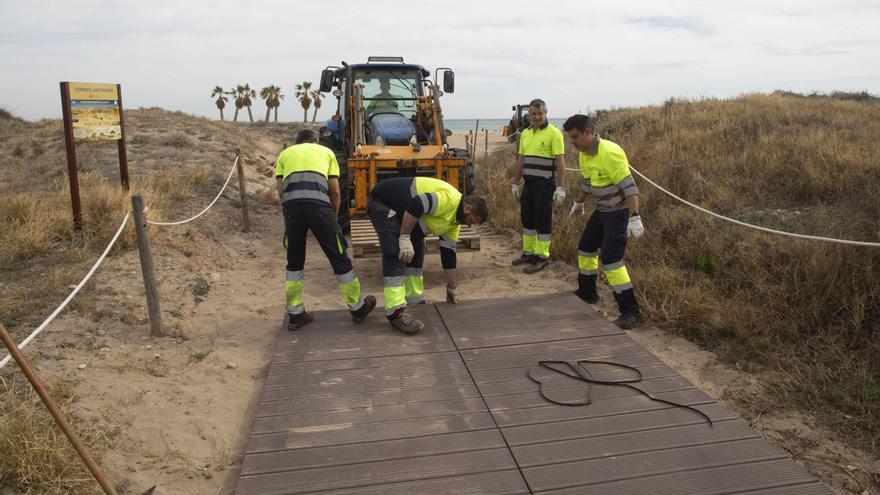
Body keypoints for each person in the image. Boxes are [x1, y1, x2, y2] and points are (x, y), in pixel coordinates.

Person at [276, 129, 376, 330]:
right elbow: (336, 191)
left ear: (297, 142)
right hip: (320, 208)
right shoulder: (326, 152)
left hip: (292, 210)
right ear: (315, 141)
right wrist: (333, 216)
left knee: (294, 261)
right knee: (338, 255)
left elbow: (280, 191)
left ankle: (295, 314)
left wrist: (291, 212)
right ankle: (357, 308)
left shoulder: (284, 154)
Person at [367, 177, 489, 334]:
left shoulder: (454, 223)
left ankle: (414, 301)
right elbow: (417, 203)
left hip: (403, 212)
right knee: (395, 251)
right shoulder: (450, 199)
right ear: (467, 209)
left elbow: (448, 256)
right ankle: (395, 314)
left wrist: (452, 288)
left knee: (417, 249)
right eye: (472, 220)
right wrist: (404, 237)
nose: (470, 225)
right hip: (382, 203)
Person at [562, 114, 644, 329]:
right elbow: (587, 183)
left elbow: (629, 187)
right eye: (570, 138)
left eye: (575, 137)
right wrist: (578, 203)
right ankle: (588, 293)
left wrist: (634, 217)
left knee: (611, 260)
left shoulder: (609, 152)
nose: (572, 142)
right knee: (586, 248)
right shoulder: (585, 153)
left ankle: (631, 312)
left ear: (588, 132)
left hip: (618, 213)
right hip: (601, 210)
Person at [509, 99, 566, 273]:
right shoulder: (525, 133)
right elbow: (521, 160)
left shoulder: (554, 133)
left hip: (545, 184)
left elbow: (560, 162)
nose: (537, 116)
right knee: (527, 219)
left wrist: (561, 187)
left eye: (540, 113)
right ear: (529, 114)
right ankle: (529, 253)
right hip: (529, 183)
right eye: (533, 113)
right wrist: (515, 183)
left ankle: (542, 256)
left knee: (542, 219)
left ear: (546, 113)